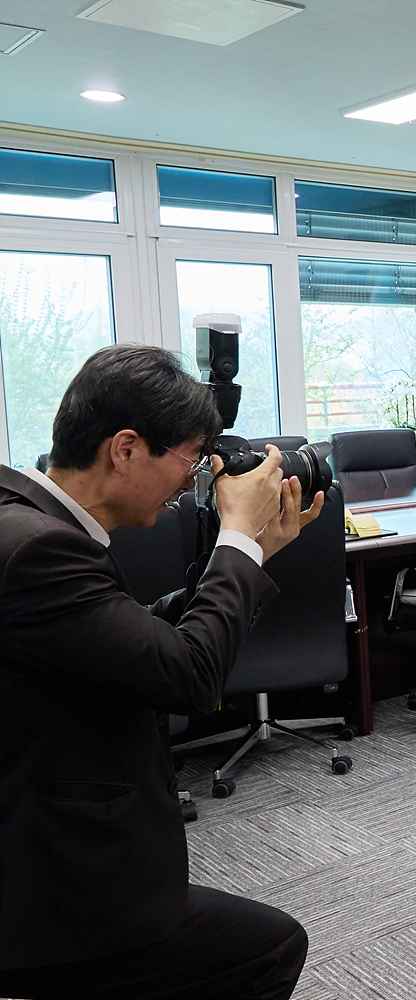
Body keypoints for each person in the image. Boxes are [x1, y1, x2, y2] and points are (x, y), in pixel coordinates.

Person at [0, 345, 326, 999]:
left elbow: (121, 638)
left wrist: (251, 551)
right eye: (188, 458)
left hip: (37, 841)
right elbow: (188, 676)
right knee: (269, 949)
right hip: (49, 896)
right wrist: (237, 537)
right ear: (125, 449)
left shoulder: (27, 522)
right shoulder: (40, 549)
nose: (191, 481)